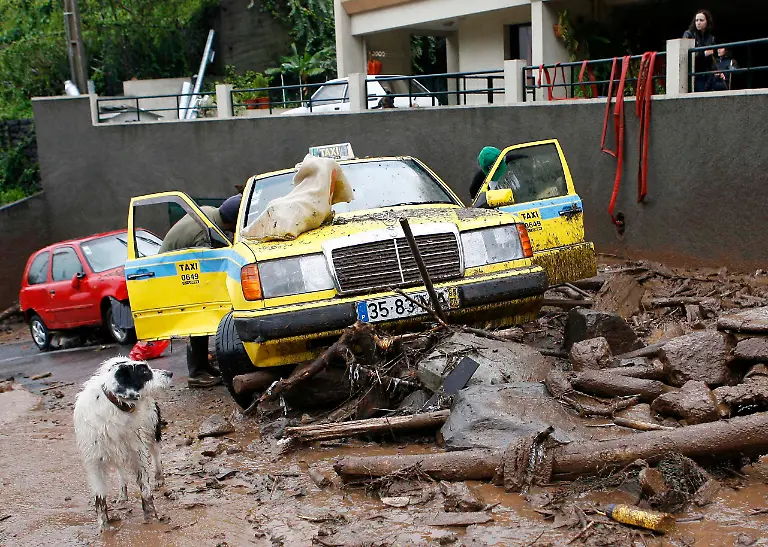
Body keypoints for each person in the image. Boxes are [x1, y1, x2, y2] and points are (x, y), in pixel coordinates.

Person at [159, 194, 242, 388]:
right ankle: (196, 374)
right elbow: (207, 263)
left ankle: (203, 366)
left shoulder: (209, 213)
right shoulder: (205, 231)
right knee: (198, 319)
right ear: (233, 222)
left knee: (201, 318)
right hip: (169, 274)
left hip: (174, 269)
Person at [683, 10, 717, 92]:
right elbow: (685, 54)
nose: (698, 22)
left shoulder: (710, 38)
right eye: (696, 20)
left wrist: (716, 70)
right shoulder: (689, 34)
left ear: (707, 22)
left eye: (701, 20)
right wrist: (703, 53)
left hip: (707, 73)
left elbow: (713, 57)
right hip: (695, 73)